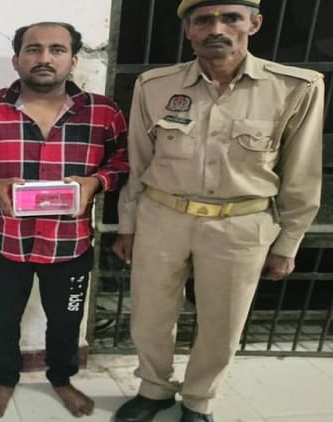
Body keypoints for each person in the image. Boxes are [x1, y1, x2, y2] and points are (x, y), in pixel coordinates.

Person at [112, 1, 324, 421]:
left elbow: (302, 173)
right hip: (162, 216)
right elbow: (139, 161)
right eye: (204, 20)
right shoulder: (154, 86)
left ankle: (199, 400)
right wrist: (128, 225)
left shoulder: (295, 87)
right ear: (189, 30)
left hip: (241, 222)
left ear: (254, 24)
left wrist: (288, 242)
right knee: (150, 314)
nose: (217, 29)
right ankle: (154, 389)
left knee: (223, 322)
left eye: (231, 18)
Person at [0, 21, 129, 419]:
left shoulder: (103, 112)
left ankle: (62, 378)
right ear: (16, 59)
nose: (44, 58)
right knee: (3, 319)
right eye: (33, 49)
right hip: (4, 241)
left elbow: (122, 163)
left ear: (73, 60)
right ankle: (5, 377)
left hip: (70, 243)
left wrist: (96, 182)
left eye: (57, 49)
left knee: (66, 321)